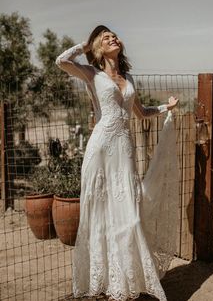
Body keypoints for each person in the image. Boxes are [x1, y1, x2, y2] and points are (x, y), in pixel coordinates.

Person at [56, 25, 179, 301]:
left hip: (124, 151)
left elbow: (141, 112)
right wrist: (86, 46)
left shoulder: (128, 77)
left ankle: (126, 279)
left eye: (114, 36)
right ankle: (105, 281)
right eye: (106, 37)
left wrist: (165, 108)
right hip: (100, 149)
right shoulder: (92, 74)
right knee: (101, 213)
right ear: (98, 48)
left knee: (129, 214)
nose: (113, 38)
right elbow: (61, 61)